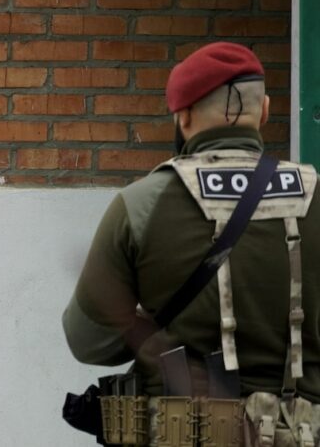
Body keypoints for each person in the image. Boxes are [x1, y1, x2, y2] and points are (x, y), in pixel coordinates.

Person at [62, 42, 320, 446]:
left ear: (182, 117)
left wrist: (148, 330)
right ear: (265, 110)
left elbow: (87, 337)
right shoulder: (316, 195)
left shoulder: (141, 204)